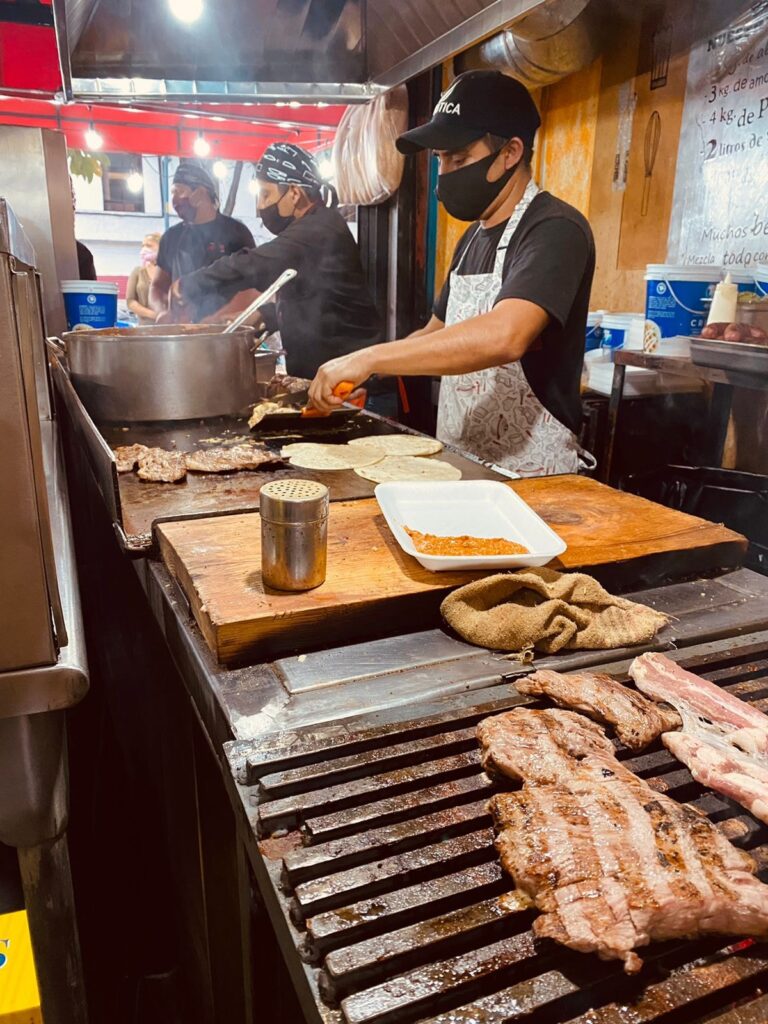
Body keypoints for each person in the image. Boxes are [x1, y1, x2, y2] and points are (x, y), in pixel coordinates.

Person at [308, 70, 596, 476]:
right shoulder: (471, 240)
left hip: (530, 479)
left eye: (459, 159)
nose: (445, 175)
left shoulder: (554, 229)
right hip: (461, 466)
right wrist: (370, 374)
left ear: (511, 152)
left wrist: (370, 356)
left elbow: (505, 336)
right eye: (441, 160)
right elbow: (435, 333)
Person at [164, 143, 394, 413]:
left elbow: (252, 264)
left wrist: (187, 285)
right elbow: (318, 298)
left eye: (266, 194)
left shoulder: (318, 229)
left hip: (356, 392)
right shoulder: (315, 227)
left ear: (294, 193)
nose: (261, 206)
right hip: (330, 389)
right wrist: (266, 315)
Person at [151, 160, 256, 322]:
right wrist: (163, 310)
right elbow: (157, 285)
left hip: (227, 331)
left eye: (179, 192)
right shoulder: (171, 237)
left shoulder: (237, 233)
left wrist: (216, 320)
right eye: (172, 193)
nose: (174, 200)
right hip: (184, 336)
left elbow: (251, 288)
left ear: (200, 194)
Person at [126, 233, 161, 324]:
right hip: (144, 328)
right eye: (143, 246)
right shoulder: (138, 271)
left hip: (168, 327)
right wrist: (153, 314)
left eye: (148, 245)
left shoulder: (172, 271)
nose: (144, 249)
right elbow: (130, 301)